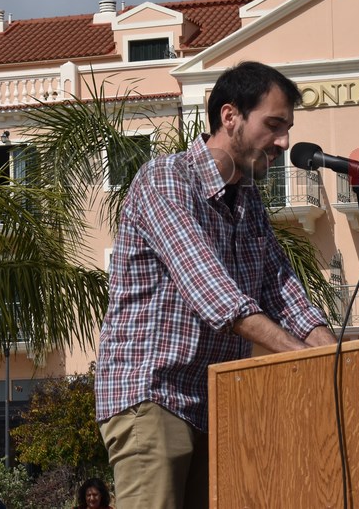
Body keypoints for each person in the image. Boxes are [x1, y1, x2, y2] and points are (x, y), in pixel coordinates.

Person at [95, 60, 337, 509]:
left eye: (287, 129)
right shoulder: (166, 179)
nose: (284, 142)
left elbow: (284, 291)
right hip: (154, 395)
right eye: (274, 125)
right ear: (230, 117)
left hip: (219, 402)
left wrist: (337, 357)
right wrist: (305, 357)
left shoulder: (248, 202)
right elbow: (215, 294)